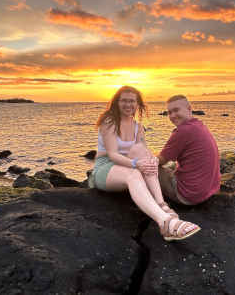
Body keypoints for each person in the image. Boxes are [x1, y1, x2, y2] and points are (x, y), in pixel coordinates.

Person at [88, 86, 200, 241]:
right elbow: (113, 155)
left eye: (132, 101)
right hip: (106, 167)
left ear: (137, 103)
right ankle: (165, 222)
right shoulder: (109, 122)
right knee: (134, 174)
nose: (128, 104)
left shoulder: (138, 127)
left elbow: (144, 151)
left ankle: (162, 204)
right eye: (124, 101)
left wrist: (153, 160)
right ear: (117, 103)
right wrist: (136, 164)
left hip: (127, 164)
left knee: (141, 150)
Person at [156, 95, 221, 205]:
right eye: (169, 112)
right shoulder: (198, 125)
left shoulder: (182, 132)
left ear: (189, 109)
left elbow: (158, 161)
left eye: (176, 110)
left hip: (188, 194)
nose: (172, 116)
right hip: (209, 190)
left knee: (145, 169)